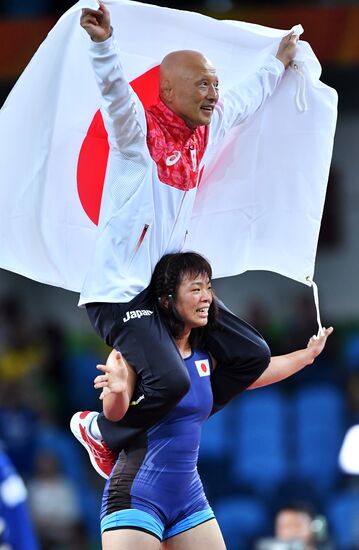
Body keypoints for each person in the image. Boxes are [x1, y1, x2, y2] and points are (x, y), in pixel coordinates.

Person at [72, 2, 299, 472]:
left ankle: (177, 418)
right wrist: (102, 45)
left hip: (164, 291)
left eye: (215, 83)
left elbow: (247, 98)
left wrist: (278, 59)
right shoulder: (136, 136)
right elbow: (115, 95)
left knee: (250, 355)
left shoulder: (204, 131)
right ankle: (99, 431)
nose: (214, 93)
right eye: (203, 84)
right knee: (172, 381)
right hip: (119, 294)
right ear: (168, 90)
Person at [78, 252, 332, 549]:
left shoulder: (204, 355)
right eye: (195, 289)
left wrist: (306, 356)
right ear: (167, 300)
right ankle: (92, 430)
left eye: (209, 288)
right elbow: (115, 413)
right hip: (137, 495)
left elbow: (253, 375)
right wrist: (119, 390)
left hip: (189, 498)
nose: (207, 297)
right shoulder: (133, 353)